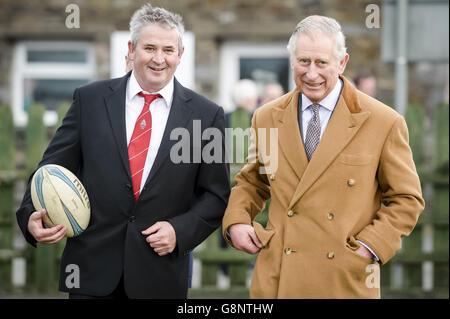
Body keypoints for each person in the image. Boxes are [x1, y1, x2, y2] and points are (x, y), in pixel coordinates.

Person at [16, 4, 230, 299]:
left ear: (180, 55)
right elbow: (51, 167)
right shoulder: (89, 100)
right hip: (90, 273)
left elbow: (216, 195)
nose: (159, 59)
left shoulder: (207, 116)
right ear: (131, 49)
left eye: (168, 50)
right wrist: (30, 215)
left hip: (160, 276)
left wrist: (179, 231)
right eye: (149, 48)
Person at [222, 15, 424, 298]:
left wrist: (370, 247)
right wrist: (237, 221)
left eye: (321, 63)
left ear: (342, 63)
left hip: (344, 281)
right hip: (279, 279)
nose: (311, 73)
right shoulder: (266, 116)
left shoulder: (383, 122)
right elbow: (254, 182)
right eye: (304, 61)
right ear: (292, 61)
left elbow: (406, 199)